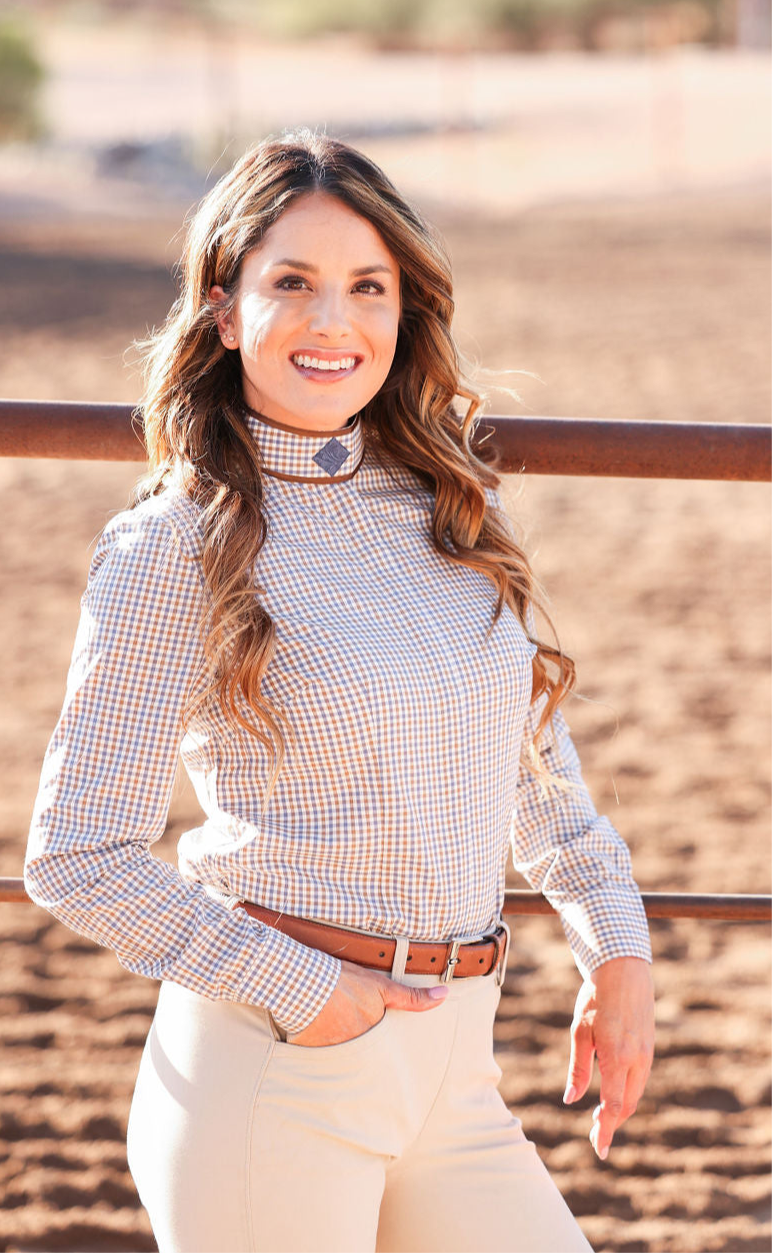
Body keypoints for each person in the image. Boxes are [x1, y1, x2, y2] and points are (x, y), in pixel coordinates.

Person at [25, 129, 654, 1253]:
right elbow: (77, 852)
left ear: (405, 310)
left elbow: (532, 767)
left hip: (458, 1072)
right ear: (224, 311)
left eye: (368, 286)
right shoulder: (176, 542)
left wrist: (617, 945)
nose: (333, 322)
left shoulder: (452, 508)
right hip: (276, 1070)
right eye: (292, 284)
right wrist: (305, 992)